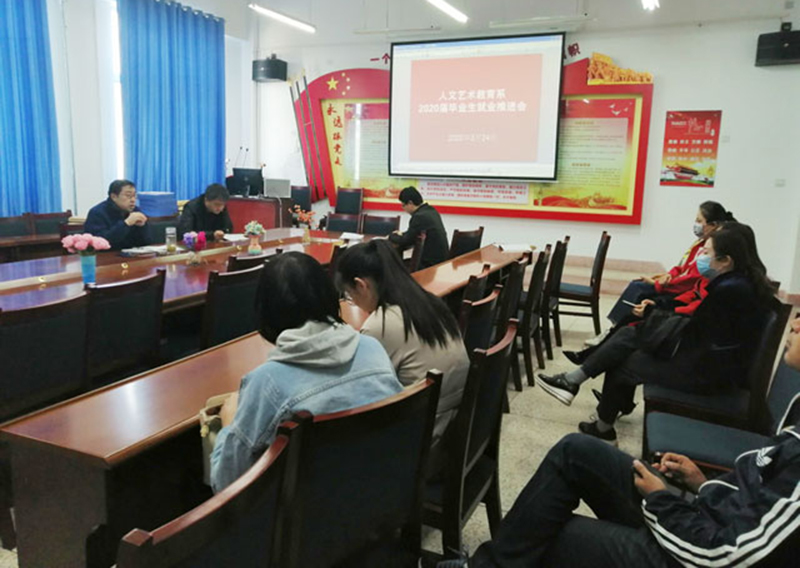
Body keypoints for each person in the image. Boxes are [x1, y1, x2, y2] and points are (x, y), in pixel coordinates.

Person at [438, 317, 800, 568]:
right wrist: (702, 484)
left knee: (548, 532)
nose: (795, 324)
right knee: (574, 450)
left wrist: (661, 500)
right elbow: (759, 490)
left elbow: (727, 557)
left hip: (696, 553)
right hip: (706, 518)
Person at [538, 226, 773, 444]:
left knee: (626, 358)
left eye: (707, 252)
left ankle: (593, 413)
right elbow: (698, 329)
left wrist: (654, 326)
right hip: (711, 362)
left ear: (725, 260)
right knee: (632, 336)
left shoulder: (730, 290)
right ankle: (584, 397)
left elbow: (692, 335)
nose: (700, 256)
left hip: (709, 374)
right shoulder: (739, 283)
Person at [209, 252, 403, 492]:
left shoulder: (266, 384)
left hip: (307, 513)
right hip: (381, 494)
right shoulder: (373, 349)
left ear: (265, 312)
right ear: (329, 296)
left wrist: (229, 425)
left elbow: (227, 484)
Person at [336, 239, 469, 472]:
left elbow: (360, 394)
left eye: (349, 295)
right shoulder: (429, 302)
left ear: (361, 285)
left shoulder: (380, 324)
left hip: (424, 447)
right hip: (458, 431)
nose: (352, 302)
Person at [591, 201, 735, 346]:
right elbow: (682, 266)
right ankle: (614, 329)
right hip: (675, 285)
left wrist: (659, 284)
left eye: (699, 220)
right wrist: (667, 275)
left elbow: (691, 280)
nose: (695, 224)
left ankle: (616, 330)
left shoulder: (710, 251)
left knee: (639, 290)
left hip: (680, 290)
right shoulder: (699, 243)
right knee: (637, 285)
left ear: (713, 225)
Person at [388, 186, 449, 269]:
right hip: (441, 260)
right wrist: (401, 234)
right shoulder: (431, 210)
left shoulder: (419, 217)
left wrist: (391, 236)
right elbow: (413, 234)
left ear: (410, 203)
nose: (403, 208)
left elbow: (406, 241)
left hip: (430, 264)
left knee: (395, 267)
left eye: (403, 205)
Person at [84, 179, 152, 250]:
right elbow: (100, 242)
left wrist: (142, 227)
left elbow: (146, 242)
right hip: (107, 255)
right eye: (128, 196)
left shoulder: (135, 211)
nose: (133, 200)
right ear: (114, 197)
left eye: (134, 196)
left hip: (131, 254)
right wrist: (126, 223)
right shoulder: (97, 213)